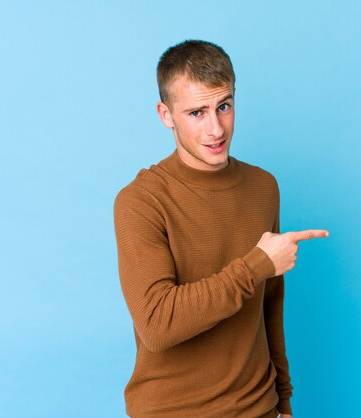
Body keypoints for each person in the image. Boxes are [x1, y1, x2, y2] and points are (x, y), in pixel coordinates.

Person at [113, 39, 328, 418]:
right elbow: (158, 325)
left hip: (259, 408)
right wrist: (255, 265)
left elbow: (269, 305)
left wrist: (284, 401)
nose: (216, 129)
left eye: (223, 106)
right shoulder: (140, 201)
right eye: (197, 113)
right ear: (166, 115)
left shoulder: (263, 187)